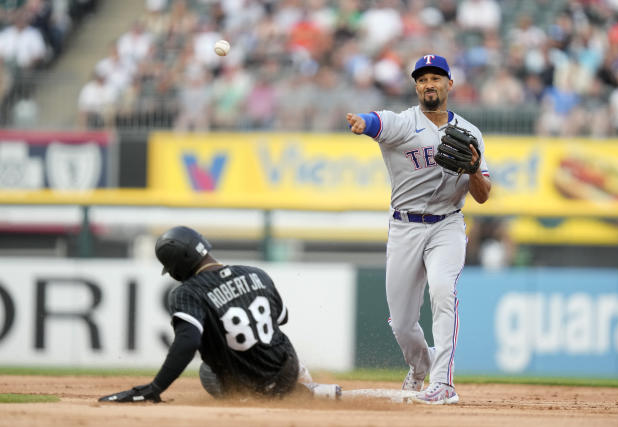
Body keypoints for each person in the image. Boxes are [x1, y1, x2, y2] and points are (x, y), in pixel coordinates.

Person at [345, 54, 491, 404]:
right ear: (415, 86)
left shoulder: (471, 133)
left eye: (436, 78)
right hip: (405, 227)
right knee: (401, 323)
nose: (429, 83)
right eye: (423, 79)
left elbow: (483, 196)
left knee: (443, 292)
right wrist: (363, 122)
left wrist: (473, 170)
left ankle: (443, 383)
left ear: (449, 84)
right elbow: (378, 121)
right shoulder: (403, 123)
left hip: (448, 225)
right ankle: (420, 364)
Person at [99, 226, 341, 403]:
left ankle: (260, 398)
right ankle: (306, 387)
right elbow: (280, 318)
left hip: (253, 386)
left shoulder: (188, 292)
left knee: (207, 369)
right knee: (272, 340)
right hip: (288, 369)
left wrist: (156, 387)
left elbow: (188, 342)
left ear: (177, 267)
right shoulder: (256, 273)